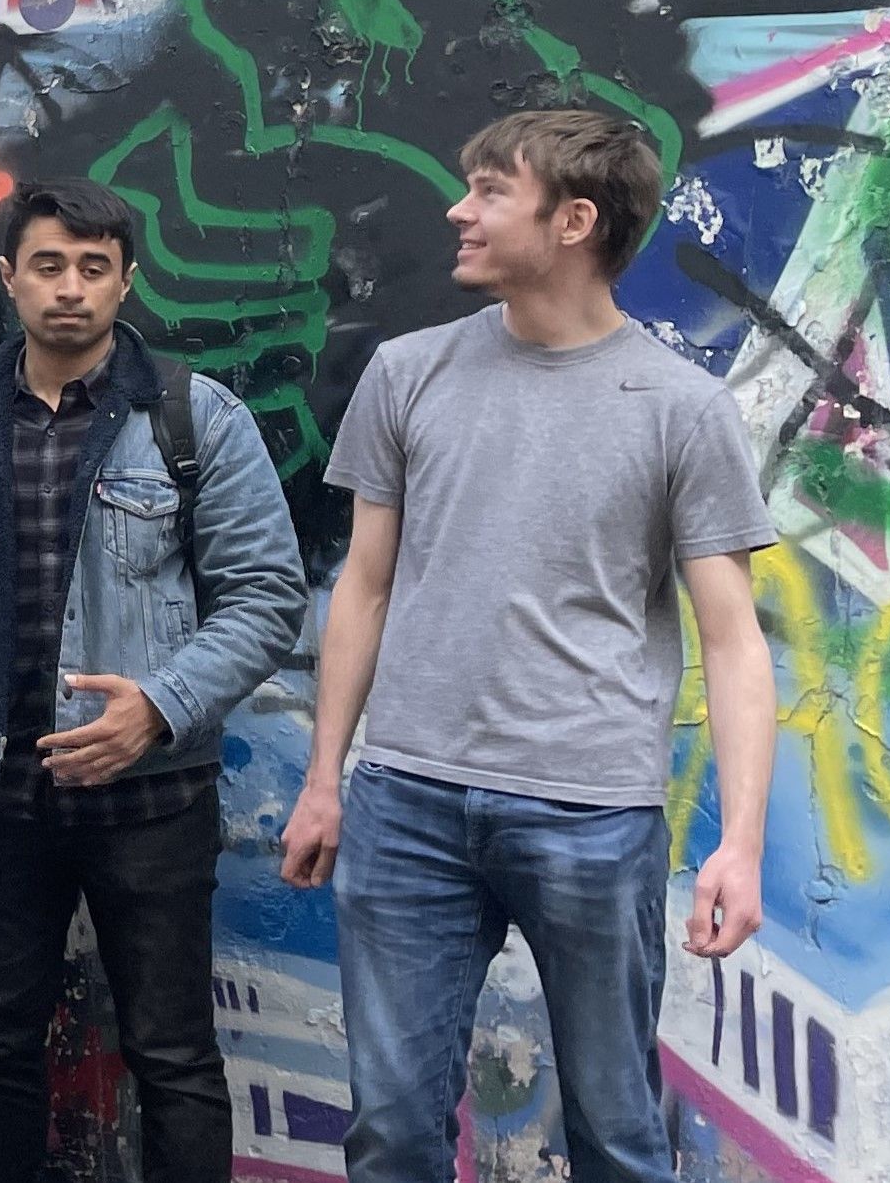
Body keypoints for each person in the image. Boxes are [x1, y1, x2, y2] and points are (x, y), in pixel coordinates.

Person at [280, 110, 776, 1183]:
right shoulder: (406, 373)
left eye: (489, 190)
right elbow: (360, 586)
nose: (457, 209)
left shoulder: (680, 408)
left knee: (615, 1136)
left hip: (591, 813)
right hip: (404, 799)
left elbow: (732, 642)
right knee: (392, 1134)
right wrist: (326, 776)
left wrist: (737, 843)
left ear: (573, 220)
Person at [0, 180, 306, 1183]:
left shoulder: (189, 416)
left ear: (125, 280)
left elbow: (266, 596)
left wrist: (159, 704)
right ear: (7, 276)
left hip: (147, 795)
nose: (70, 287)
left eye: (94, 267)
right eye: (47, 263)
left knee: (169, 1051)